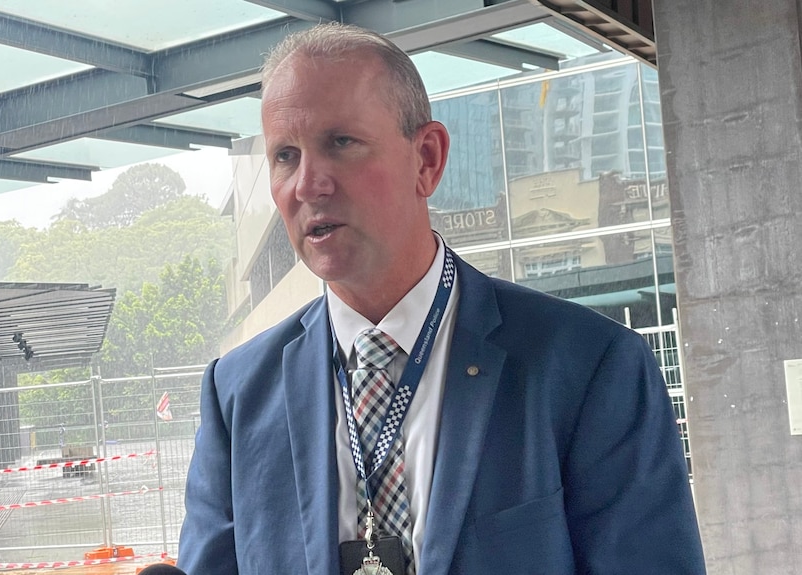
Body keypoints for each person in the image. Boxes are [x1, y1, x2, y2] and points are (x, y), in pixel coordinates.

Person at [177, 22, 706, 575]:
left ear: (426, 158)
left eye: (341, 142)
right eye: (286, 155)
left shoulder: (589, 368)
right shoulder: (236, 395)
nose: (308, 184)